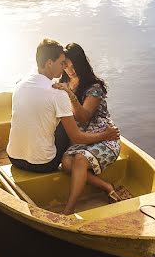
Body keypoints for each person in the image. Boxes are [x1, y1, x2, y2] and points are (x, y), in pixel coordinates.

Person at [7, 38, 119, 178]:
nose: (65, 69)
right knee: (64, 125)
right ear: (49, 63)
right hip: (44, 164)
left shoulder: (19, 85)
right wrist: (106, 135)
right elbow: (76, 136)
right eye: (62, 64)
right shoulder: (58, 92)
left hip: (13, 157)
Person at [52, 42, 131, 215]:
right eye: (66, 65)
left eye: (74, 66)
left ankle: (69, 209)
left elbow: (83, 116)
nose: (70, 70)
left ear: (81, 64)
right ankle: (106, 186)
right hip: (80, 138)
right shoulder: (65, 82)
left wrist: (71, 96)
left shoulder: (94, 88)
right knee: (66, 164)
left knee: (80, 160)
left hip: (105, 137)